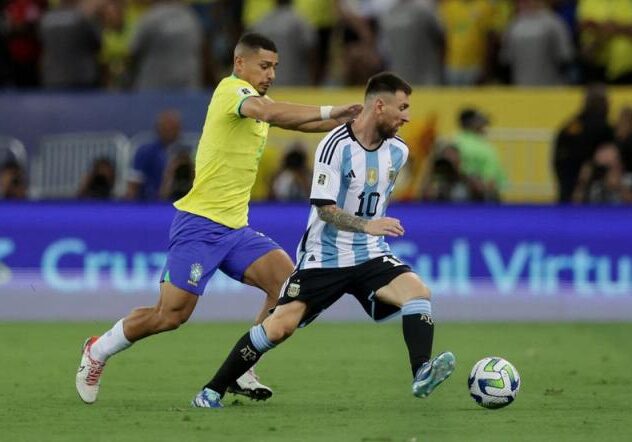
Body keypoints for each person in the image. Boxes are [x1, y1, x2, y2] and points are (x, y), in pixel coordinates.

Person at [75, 32, 362, 405]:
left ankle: (243, 366)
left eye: (275, 67)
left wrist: (354, 123)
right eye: (264, 66)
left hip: (236, 230)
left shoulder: (260, 103)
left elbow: (299, 124)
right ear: (240, 63)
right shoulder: (232, 92)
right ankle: (98, 350)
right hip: (199, 225)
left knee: (287, 285)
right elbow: (273, 112)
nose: (270, 73)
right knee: (171, 315)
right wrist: (333, 110)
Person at [191, 72, 455, 409]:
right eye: (402, 108)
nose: (407, 116)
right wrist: (367, 225)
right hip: (324, 257)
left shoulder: (399, 152)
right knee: (279, 328)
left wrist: (369, 233)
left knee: (418, 293)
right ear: (379, 106)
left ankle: (422, 373)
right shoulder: (335, 145)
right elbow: (326, 210)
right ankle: (212, 390)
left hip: (370, 255)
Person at [126, 109, 191, 201]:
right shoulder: (144, 152)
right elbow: (133, 184)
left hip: (182, 203)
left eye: (173, 128)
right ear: (158, 128)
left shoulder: (187, 153)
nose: (170, 131)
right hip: (150, 203)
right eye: (166, 128)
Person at [452, 108, 506, 201]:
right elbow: (459, 166)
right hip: (474, 193)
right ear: (470, 123)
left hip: (489, 190)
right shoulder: (460, 142)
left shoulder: (480, 141)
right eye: (480, 120)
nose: (484, 124)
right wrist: (475, 182)